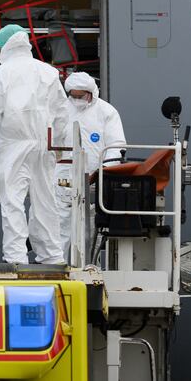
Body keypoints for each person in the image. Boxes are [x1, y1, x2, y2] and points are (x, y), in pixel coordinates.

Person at [0, 24, 69, 265]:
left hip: (14, 146)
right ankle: (52, 256)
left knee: (12, 202)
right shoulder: (47, 72)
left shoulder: (3, 73)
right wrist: (58, 145)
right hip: (43, 145)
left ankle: (16, 257)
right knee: (45, 201)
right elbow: (61, 112)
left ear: (5, 46)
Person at [54, 72, 126, 259]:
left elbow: (116, 145)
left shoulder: (106, 112)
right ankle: (57, 269)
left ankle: (90, 269)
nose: (77, 100)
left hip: (94, 181)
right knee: (59, 228)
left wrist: (104, 171)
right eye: (74, 96)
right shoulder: (61, 110)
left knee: (92, 231)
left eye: (81, 96)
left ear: (91, 92)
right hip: (64, 180)